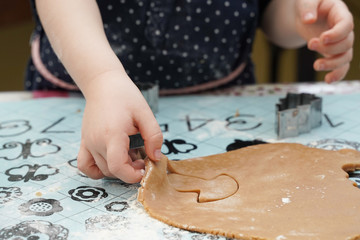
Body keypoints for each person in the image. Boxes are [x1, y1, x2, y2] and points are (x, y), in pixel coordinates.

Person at [26, 0, 354, 183]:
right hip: (80, 91)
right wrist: (100, 78)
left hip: (223, 105)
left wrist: (299, 16)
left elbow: (270, 10)